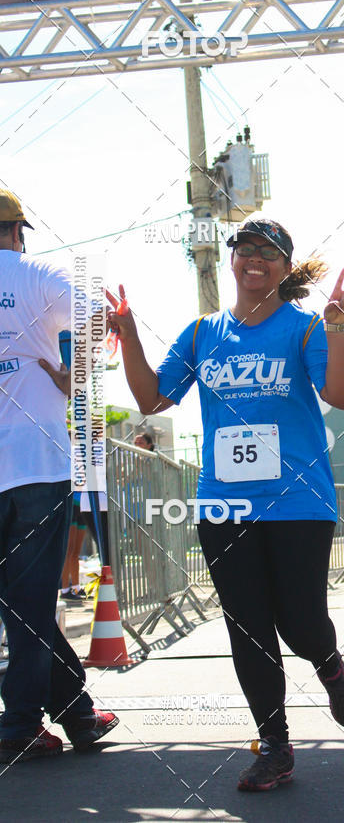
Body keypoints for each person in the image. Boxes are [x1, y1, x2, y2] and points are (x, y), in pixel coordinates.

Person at [107, 218, 344, 792]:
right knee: (248, 628)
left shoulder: (305, 330)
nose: (255, 260)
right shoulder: (203, 333)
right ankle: (274, 745)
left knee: (300, 621)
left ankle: (331, 669)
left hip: (298, 502)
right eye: (245, 250)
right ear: (232, 263)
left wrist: (339, 330)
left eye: (268, 253)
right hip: (224, 506)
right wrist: (129, 335)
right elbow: (153, 397)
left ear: (285, 266)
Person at [0, 190, 118, 762]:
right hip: (36, 464)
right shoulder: (35, 273)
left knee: (18, 603)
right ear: (18, 231)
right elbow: (99, 315)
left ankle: (76, 712)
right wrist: (77, 374)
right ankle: (19, 721)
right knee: (26, 600)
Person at [60, 492, 88, 601]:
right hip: (71, 503)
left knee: (76, 552)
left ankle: (76, 588)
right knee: (69, 551)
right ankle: (65, 590)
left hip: (84, 505)